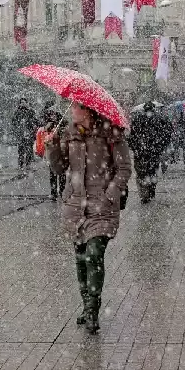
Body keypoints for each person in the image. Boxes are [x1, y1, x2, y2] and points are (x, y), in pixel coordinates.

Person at [45, 103, 132, 334]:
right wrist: (52, 147)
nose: (72, 109)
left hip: (102, 206)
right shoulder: (69, 134)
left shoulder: (110, 133)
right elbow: (59, 167)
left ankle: (93, 308)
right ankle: (86, 305)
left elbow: (124, 168)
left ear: (88, 112)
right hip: (76, 205)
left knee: (94, 254)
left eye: (77, 107)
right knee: (81, 257)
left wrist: (110, 194)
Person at [128, 103, 172, 203]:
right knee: (153, 171)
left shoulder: (137, 119)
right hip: (154, 152)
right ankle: (151, 190)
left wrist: (135, 147)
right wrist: (160, 146)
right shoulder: (160, 119)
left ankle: (144, 194)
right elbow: (167, 134)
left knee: (141, 173)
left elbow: (132, 136)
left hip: (141, 152)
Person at [42, 107, 67, 200]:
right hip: (52, 153)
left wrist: (59, 132)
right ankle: (53, 192)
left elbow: (65, 137)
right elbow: (46, 138)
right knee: (52, 173)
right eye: (51, 115)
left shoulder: (63, 124)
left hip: (61, 152)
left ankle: (62, 191)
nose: (53, 116)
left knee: (61, 173)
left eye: (54, 115)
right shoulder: (49, 125)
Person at [11, 98, 39, 171]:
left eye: (24, 102)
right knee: (21, 150)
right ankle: (20, 165)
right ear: (19, 104)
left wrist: (30, 122)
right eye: (21, 102)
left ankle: (28, 165)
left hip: (29, 133)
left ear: (27, 103)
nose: (22, 104)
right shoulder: (17, 112)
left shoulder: (31, 111)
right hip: (21, 134)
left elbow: (36, 121)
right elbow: (13, 121)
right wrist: (18, 125)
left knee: (29, 150)